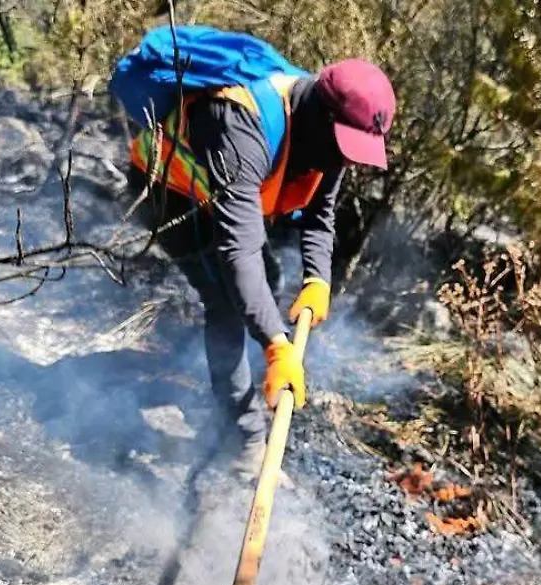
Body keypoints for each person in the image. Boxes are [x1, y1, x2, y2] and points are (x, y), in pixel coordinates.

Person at [125, 58, 396, 483]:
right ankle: (245, 442)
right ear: (322, 115)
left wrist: (318, 279)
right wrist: (276, 345)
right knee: (227, 302)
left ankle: (229, 382)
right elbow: (240, 251)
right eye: (343, 147)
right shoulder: (238, 121)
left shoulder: (327, 136)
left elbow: (320, 217)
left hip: (215, 196)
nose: (343, 161)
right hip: (169, 190)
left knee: (266, 283)